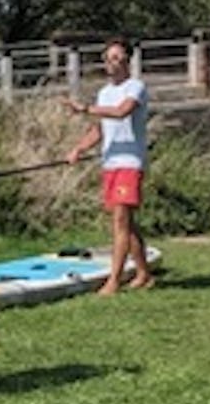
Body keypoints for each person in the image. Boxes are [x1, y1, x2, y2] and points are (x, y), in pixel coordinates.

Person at [64, 38, 155, 295]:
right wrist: (78, 149)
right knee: (126, 222)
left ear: (127, 61)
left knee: (120, 222)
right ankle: (144, 274)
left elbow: (121, 112)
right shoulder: (104, 93)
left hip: (129, 163)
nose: (111, 63)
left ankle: (113, 281)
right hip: (110, 163)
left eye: (116, 58)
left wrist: (85, 108)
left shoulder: (135, 87)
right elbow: (100, 129)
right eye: (107, 59)